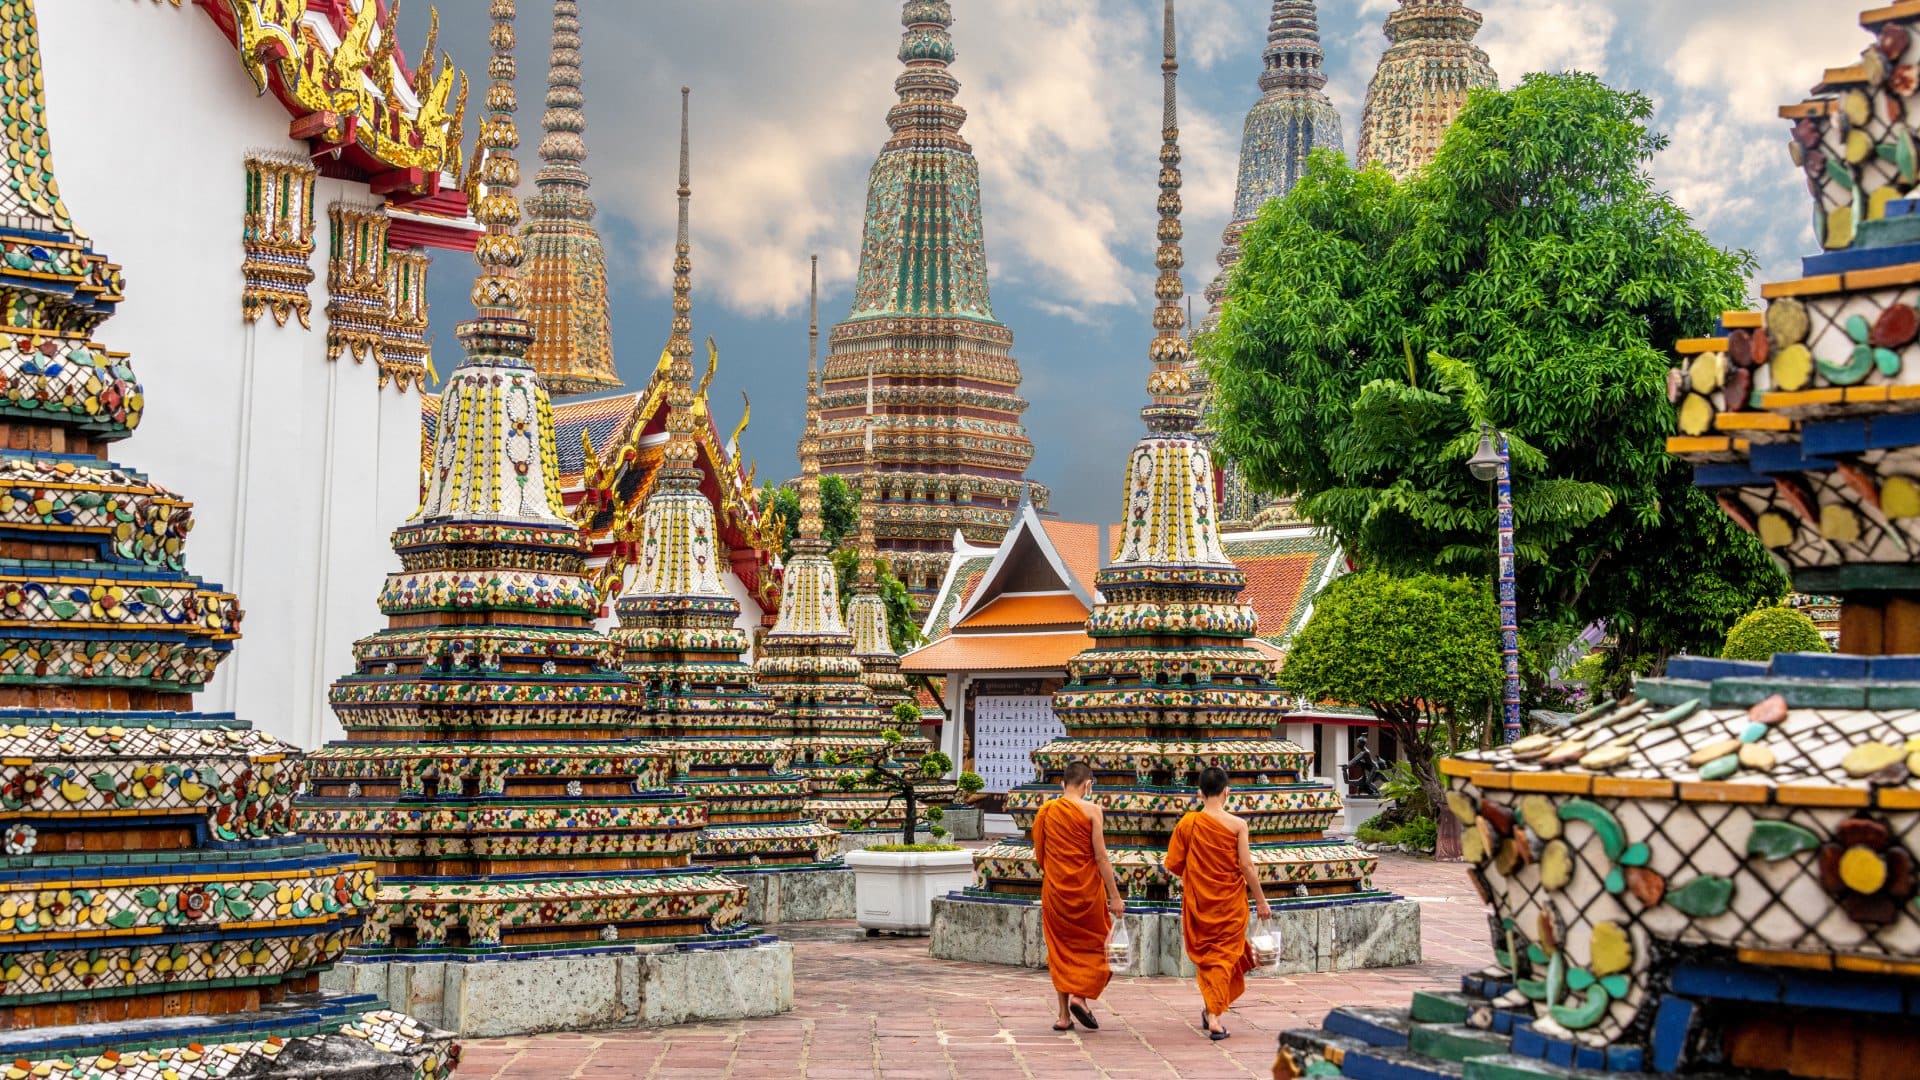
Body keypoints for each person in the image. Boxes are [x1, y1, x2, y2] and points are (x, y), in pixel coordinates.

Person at [1165, 765, 1271, 1040]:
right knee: (1223, 958)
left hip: (1200, 904)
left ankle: (1210, 1008)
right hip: (1230, 905)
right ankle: (1214, 1016)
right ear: (1227, 792)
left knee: (1214, 960)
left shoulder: (1188, 823)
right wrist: (1261, 901)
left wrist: (1199, 872)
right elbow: (1247, 867)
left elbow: (1174, 864)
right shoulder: (1238, 825)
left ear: (1199, 793)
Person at [1031, 760, 1126, 1032]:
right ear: (1088, 785)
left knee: (1060, 951)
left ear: (1062, 784)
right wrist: (1115, 896)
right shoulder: (1093, 810)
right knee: (1100, 947)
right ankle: (1080, 996)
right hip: (1087, 895)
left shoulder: (1047, 811)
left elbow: (1041, 855)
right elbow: (1101, 857)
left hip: (1056, 892)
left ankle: (1063, 1016)